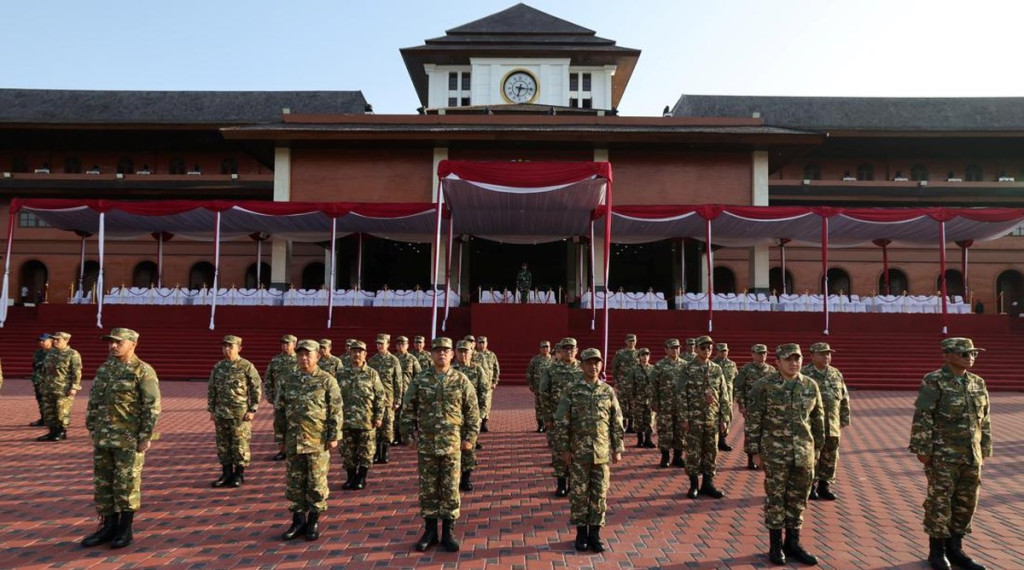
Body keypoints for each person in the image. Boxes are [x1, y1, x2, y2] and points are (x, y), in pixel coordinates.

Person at [909, 337, 991, 570]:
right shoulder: (934, 381)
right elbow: (923, 415)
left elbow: (984, 419)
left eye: (973, 353)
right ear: (947, 355)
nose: (970, 357)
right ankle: (937, 551)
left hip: (971, 454)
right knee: (940, 503)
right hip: (943, 455)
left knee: (966, 502)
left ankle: (956, 549)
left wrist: (984, 448)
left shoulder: (977, 382)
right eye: (965, 354)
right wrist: (922, 449)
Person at [81, 328, 161, 549]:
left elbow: (152, 406)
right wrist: (92, 429)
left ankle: (125, 530)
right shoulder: (105, 369)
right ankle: (108, 527)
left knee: (126, 484)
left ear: (133, 344)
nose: (113, 346)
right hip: (103, 438)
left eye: (118, 342)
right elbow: (93, 402)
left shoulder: (143, 371)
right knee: (103, 483)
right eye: (110, 342)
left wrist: (145, 436)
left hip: (128, 439)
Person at [745, 343, 824, 566]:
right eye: (788, 359)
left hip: (803, 452)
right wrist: (754, 451)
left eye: (797, 358)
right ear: (777, 362)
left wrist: (816, 449)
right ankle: (775, 545)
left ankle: (793, 543)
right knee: (776, 499)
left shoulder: (810, 385)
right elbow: (754, 420)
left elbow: (818, 420)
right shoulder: (764, 386)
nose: (793, 363)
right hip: (775, 453)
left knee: (798, 499)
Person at [401, 337, 480, 553]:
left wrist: (469, 438)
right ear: (431, 354)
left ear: (452, 354)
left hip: (452, 445)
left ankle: (448, 530)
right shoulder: (421, 380)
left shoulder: (461, 380)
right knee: (428, 489)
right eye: (437, 351)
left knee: (450, 488)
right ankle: (429, 531)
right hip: (426, 444)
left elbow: (473, 412)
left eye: (446, 350)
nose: (441, 354)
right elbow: (408, 407)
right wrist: (408, 434)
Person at [554, 348, 624, 553]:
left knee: (599, 494)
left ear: (601, 365)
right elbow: (561, 421)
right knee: (579, 494)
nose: (593, 366)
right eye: (589, 363)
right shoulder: (572, 389)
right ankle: (581, 533)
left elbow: (616, 421)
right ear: (582, 365)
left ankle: (595, 533)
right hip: (578, 453)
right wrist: (564, 449)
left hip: (601, 453)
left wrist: (617, 447)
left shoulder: (607, 390)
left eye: (597, 363)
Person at [274, 339, 342, 542]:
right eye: (300, 354)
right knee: (295, 482)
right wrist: (280, 436)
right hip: (294, 440)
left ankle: (313, 521)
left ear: (317, 356)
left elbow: (336, 410)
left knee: (316, 482)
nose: (304, 358)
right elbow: (279, 410)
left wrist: (333, 435)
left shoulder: (327, 380)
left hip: (317, 441)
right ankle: (297, 521)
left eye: (308, 354)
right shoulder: (288, 379)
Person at [676, 335, 730, 499]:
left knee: (711, 452)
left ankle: (708, 484)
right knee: (693, 452)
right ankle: (693, 485)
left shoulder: (716, 369)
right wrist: (684, 418)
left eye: (709, 348)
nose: (707, 351)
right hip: (694, 419)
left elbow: (724, 394)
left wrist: (724, 418)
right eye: (703, 347)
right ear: (697, 349)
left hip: (712, 419)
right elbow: (680, 394)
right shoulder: (687, 369)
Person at [207, 335, 262, 488]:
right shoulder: (219, 367)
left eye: (231, 346)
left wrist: (253, 409)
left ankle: (239, 474)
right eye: (225, 346)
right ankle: (226, 473)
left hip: (240, 414)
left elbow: (255, 388)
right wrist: (212, 409)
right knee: (223, 445)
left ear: (239, 348)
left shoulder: (246, 366)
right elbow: (212, 389)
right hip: (221, 413)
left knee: (240, 445)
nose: (227, 349)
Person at [802, 342, 850, 501]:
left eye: (828, 354)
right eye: (822, 354)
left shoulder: (836, 373)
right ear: (812, 356)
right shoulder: (804, 374)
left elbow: (844, 398)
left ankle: (825, 485)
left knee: (830, 456)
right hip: (812, 425)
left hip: (832, 423)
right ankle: (810, 486)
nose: (826, 357)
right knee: (812, 455)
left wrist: (844, 418)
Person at [335, 340, 384, 491]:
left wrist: (379, 416)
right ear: (349, 354)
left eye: (360, 352)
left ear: (365, 355)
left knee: (366, 451)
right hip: (346, 420)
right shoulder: (341, 373)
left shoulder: (371, 374)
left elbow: (380, 396)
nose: (357, 354)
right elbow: (333, 397)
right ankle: (350, 477)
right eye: (354, 351)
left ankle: (361, 477)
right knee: (347, 451)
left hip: (366, 420)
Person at [538, 337, 582, 496]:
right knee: (559, 451)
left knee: (578, 451)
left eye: (572, 349)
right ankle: (561, 483)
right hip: (559, 418)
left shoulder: (583, 369)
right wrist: (547, 418)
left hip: (580, 420)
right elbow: (544, 394)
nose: (569, 351)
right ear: (560, 351)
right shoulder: (551, 370)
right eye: (566, 349)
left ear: (577, 351)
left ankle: (575, 483)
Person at [453, 340, 488, 491]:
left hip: (470, 416)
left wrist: (481, 413)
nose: (463, 354)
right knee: (451, 448)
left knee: (468, 447)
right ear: (455, 353)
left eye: (466, 351)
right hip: (452, 416)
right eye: (460, 351)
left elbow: (484, 392)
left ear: (471, 352)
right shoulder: (451, 370)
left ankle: (466, 479)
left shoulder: (477, 370)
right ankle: (453, 478)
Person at [734, 344, 774, 470]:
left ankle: (764, 458)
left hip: (768, 408)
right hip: (752, 408)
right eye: (759, 353)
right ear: (753, 354)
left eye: (764, 353)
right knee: (752, 433)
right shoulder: (746, 369)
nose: (762, 355)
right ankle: (751, 459)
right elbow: (738, 387)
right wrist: (742, 405)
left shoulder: (771, 370)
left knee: (767, 433)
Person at [37, 331, 82, 441]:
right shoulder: (50, 353)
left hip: (63, 389)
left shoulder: (72, 354)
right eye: (54, 339)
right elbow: (44, 370)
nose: (55, 341)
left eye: (58, 340)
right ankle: (52, 432)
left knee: (62, 412)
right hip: (48, 388)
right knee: (49, 411)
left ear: (66, 340)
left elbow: (76, 372)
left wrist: (74, 387)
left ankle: (61, 432)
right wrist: (41, 384)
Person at [368, 333, 403, 464]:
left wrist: (398, 399)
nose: (380, 346)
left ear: (388, 345)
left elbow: (398, 381)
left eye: (382, 344)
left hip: (389, 400)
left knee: (387, 428)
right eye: (378, 343)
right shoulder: (372, 361)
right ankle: (376, 453)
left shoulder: (394, 360)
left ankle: (385, 452)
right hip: (375, 400)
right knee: (376, 428)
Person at [652, 338, 686, 468]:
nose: (675, 350)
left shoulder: (685, 365)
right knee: (665, 431)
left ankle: (678, 457)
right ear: (666, 349)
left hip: (681, 405)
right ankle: (665, 456)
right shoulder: (659, 366)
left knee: (680, 431)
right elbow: (653, 385)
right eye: (672, 348)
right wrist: (655, 402)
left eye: (677, 347)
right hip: (665, 405)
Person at [264, 334, 297, 461]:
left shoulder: (299, 360)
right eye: (283, 344)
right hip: (279, 398)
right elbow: (268, 378)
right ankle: (283, 451)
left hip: (295, 399)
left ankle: (294, 450)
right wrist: (269, 394)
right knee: (280, 424)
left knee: (294, 424)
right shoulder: (275, 360)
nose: (284, 346)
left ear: (294, 344)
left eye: (287, 343)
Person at [393, 335, 422, 445]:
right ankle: (396, 437)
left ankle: (408, 437)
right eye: (399, 344)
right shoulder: (393, 359)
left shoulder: (412, 359)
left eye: (403, 344)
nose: (401, 347)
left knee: (408, 415)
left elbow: (418, 375)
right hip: (396, 391)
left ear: (407, 346)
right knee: (396, 416)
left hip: (409, 391)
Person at [611, 333, 639, 434]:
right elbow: (614, 367)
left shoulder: (639, 354)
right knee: (622, 404)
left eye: (634, 340)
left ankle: (631, 426)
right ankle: (623, 424)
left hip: (634, 383)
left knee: (633, 404)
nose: (632, 343)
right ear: (626, 341)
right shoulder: (620, 353)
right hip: (622, 382)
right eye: (630, 341)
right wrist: (616, 380)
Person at [628, 347, 657, 448]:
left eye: (647, 355)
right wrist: (632, 399)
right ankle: (640, 440)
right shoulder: (634, 370)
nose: (645, 357)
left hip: (650, 399)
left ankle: (648, 440)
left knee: (649, 420)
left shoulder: (653, 369)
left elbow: (656, 384)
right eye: (643, 355)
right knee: (639, 420)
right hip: (639, 399)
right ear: (639, 357)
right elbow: (631, 385)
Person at [713, 343, 738, 452]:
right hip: (715, 396)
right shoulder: (712, 364)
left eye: (725, 351)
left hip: (728, 397)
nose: (724, 353)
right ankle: (714, 440)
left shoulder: (732, 364)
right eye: (721, 351)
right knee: (714, 418)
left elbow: (735, 379)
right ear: (717, 352)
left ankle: (722, 440)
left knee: (727, 417)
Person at [474, 336, 500, 433]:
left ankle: (484, 422)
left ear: (487, 343)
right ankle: (477, 422)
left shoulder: (491, 355)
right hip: (476, 384)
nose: (481, 345)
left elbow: (496, 369)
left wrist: (494, 382)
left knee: (486, 403)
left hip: (488, 384)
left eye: (483, 342)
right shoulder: (474, 355)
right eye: (480, 342)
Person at [526, 340, 553, 433]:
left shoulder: (553, 360)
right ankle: (540, 424)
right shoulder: (535, 360)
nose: (545, 349)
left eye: (547, 347)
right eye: (543, 347)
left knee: (549, 406)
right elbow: (530, 372)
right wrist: (530, 384)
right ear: (540, 348)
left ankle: (548, 424)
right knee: (539, 406)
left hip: (550, 388)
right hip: (538, 387)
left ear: (550, 348)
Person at [29, 333, 53, 426]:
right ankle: (43, 419)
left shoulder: (54, 353)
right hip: (39, 380)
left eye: (44, 340)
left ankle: (52, 420)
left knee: (50, 401)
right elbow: (34, 366)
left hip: (50, 381)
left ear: (50, 341)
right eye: (40, 341)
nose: (41, 342)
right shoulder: (38, 353)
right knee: (40, 400)